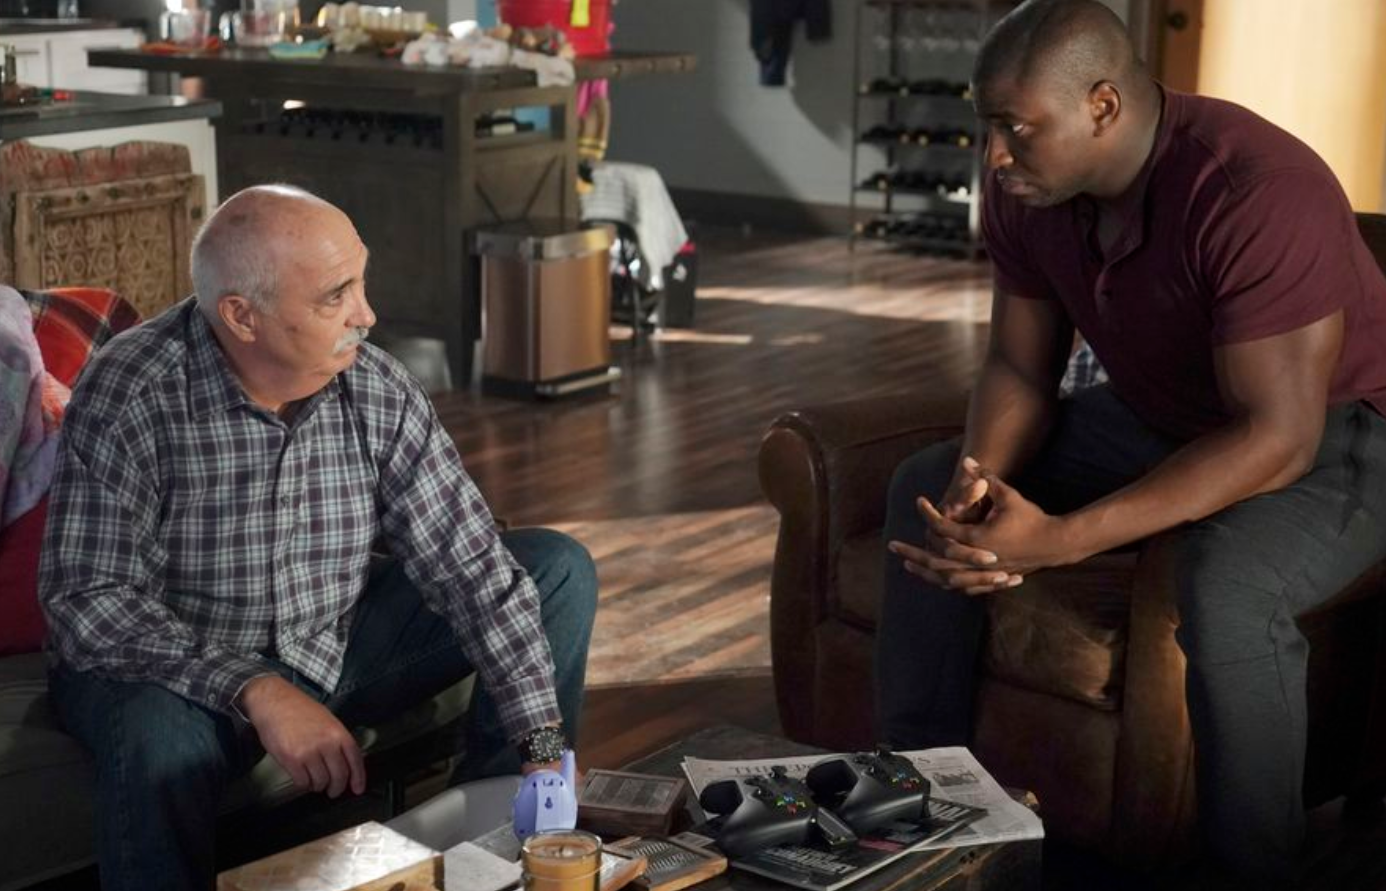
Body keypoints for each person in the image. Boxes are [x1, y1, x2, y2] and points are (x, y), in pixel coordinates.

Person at [875, 0, 1386, 886]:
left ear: (1103, 105)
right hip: (1165, 412)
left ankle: (1251, 871)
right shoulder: (1028, 189)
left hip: (1349, 432)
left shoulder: (1255, 189)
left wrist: (1064, 538)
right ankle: (922, 806)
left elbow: (1279, 438)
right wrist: (977, 486)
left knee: (1227, 582)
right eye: (988, 126)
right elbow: (1020, 364)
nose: (993, 156)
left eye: (1015, 128)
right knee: (927, 491)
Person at [39, 184, 598, 891]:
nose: (368, 315)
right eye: (337, 296)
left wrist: (542, 749)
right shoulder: (133, 389)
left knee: (555, 569)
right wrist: (257, 688)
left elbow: (473, 568)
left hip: (330, 642)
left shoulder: (377, 386)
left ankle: (491, 851)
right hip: (181, 674)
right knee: (156, 737)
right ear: (241, 315)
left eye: (361, 282)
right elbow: (89, 599)